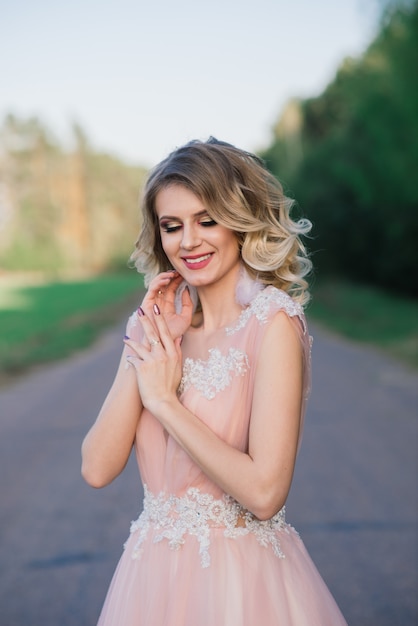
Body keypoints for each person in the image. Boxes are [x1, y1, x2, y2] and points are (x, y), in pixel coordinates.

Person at [81, 138, 347, 625]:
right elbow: (97, 468)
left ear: (240, 220)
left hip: (240, 583)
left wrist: (164, 402)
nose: (189, 242)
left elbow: (266, 494)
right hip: (150, 582)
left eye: (207, 220)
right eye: (172, 226)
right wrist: (145, 332)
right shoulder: (157, 328)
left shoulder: (273, 325)